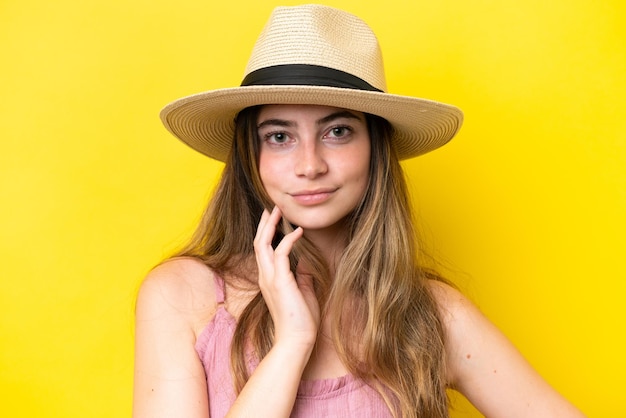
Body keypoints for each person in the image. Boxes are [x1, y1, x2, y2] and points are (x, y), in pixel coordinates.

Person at [133, 4, 585, 418]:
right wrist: (293, 343)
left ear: (375, 148)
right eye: (279, 136)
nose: (310, 165)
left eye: (338, 131)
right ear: (252, 155)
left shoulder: (429, 314)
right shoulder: (184, 298)